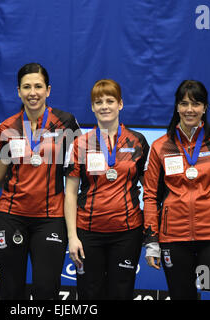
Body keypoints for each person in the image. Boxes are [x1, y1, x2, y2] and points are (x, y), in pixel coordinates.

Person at [0, 62, 80, 299]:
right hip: (11, 216)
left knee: (46, 290)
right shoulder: (7, 128)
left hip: (50, 219)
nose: (33, 92)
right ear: (18, 91)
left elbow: (78, 173)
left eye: (38, 86)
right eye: (26, 87)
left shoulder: (66, 123)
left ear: (48, 90)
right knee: (10, 289)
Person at [143, 80, 210, 300]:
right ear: (177, 107)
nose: (190, 109)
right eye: (184, 103)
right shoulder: (161, 146)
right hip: (174, 239)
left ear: (205, 108)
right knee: (182, 297)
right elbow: (150, 195)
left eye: (196, 104)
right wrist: (151, 239)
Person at [64, 79, 149, 300]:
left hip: (127, 232)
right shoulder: (80, 143)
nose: (104, 106)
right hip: (88, 233)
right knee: (89, 295)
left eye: (110, 101)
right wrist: (72, 237)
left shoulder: (138, 142)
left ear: (120, 104)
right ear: (92, 107)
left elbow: (149, 190)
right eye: (98, 102)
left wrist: (152, 233)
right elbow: (70, 193)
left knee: (121, 293)